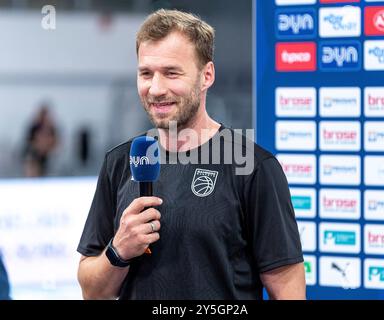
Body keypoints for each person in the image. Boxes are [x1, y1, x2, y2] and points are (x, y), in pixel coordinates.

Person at [77, 9, 305, 300]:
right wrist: (118, 250)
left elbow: (289, 292)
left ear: (206, 75)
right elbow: (91, 291)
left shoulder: (253, 167)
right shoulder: (119, 163)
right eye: (146, 73)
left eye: (171, 73)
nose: (156, 88)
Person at [22, 104, 59, 177]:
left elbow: (57, 142)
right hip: (35, 152)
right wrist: (39, 146)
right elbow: (29, 141)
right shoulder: (34, 127)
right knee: (31, 159)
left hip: (49, 153)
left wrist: (47, 147)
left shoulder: (52, 128)